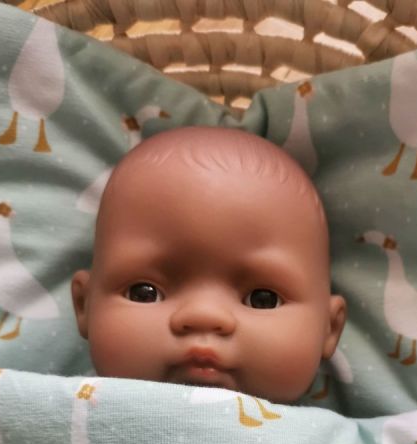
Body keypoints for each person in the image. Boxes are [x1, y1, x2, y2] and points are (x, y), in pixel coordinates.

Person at [71, 126, 347, 404]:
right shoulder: (51, 410)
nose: (203, 315)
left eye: (262, 299)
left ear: (329, 328)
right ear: (84, 305)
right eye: (144, 293)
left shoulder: (351, 433)